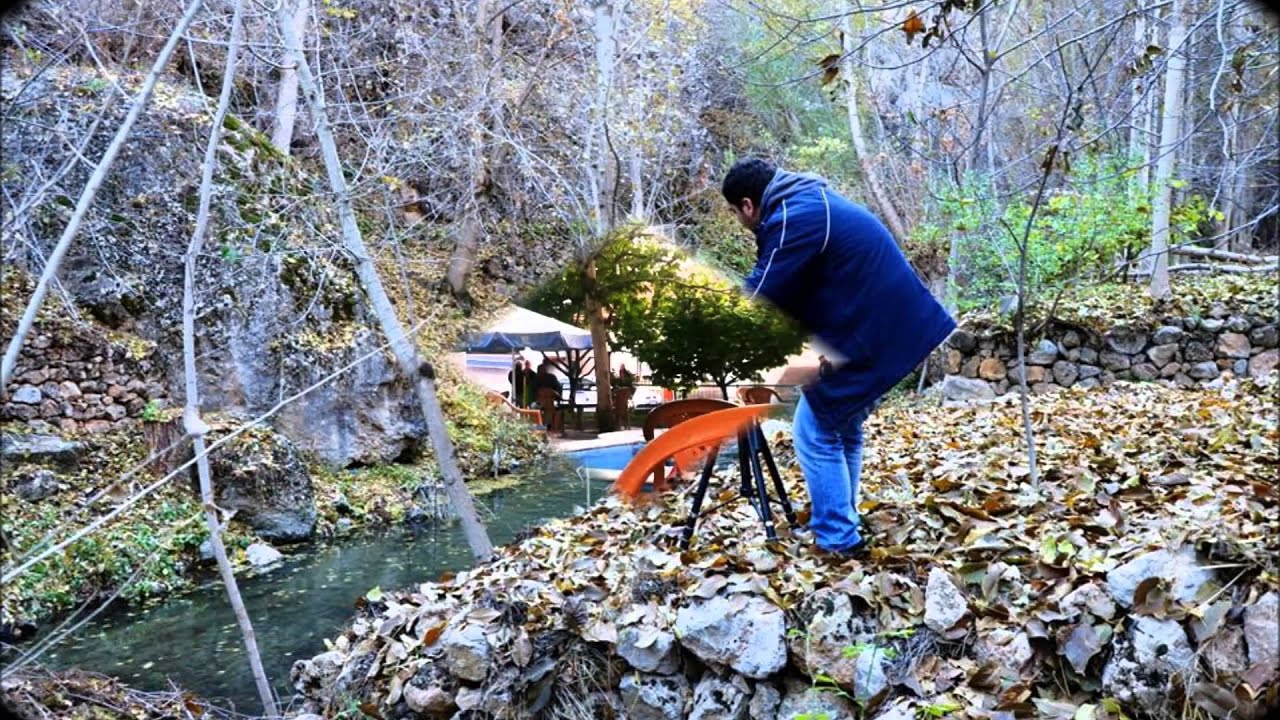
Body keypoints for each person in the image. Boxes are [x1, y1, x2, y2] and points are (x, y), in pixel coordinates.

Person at [723, 157, 955, 558]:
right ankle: (843, 523)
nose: (738, 220)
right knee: (840, 426)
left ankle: (837, 539)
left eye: (734, 212)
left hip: (870, 333)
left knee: (814, 434)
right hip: (879, 328)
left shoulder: (799, 216)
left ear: (747, 204)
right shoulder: (808, 204)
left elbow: (762, 290)